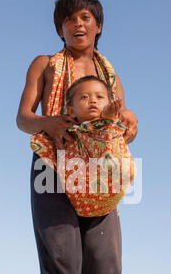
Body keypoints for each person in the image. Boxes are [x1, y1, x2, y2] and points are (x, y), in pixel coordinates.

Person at [16, 0, 138, 274]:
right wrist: (49, 123)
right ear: (61, 28)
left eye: (86, 17)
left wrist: (130, 119)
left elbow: (120, 119)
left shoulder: (110, 74)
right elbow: (23, 118)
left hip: (98, 175)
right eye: (70, 19)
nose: (78, 23)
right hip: (51, 167)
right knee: (63, 265)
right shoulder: (45, 64)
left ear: (98, 26)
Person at [31, 75, 137, 217]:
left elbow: (118, 138)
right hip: (81, 194)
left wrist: (111, 116)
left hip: (112, 175)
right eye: (84, 97)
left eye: (100, 97)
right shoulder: (69, 134)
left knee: (105, 133)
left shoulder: (112, 128)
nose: (93, 100)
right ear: (71, 111)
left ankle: (104, 120)